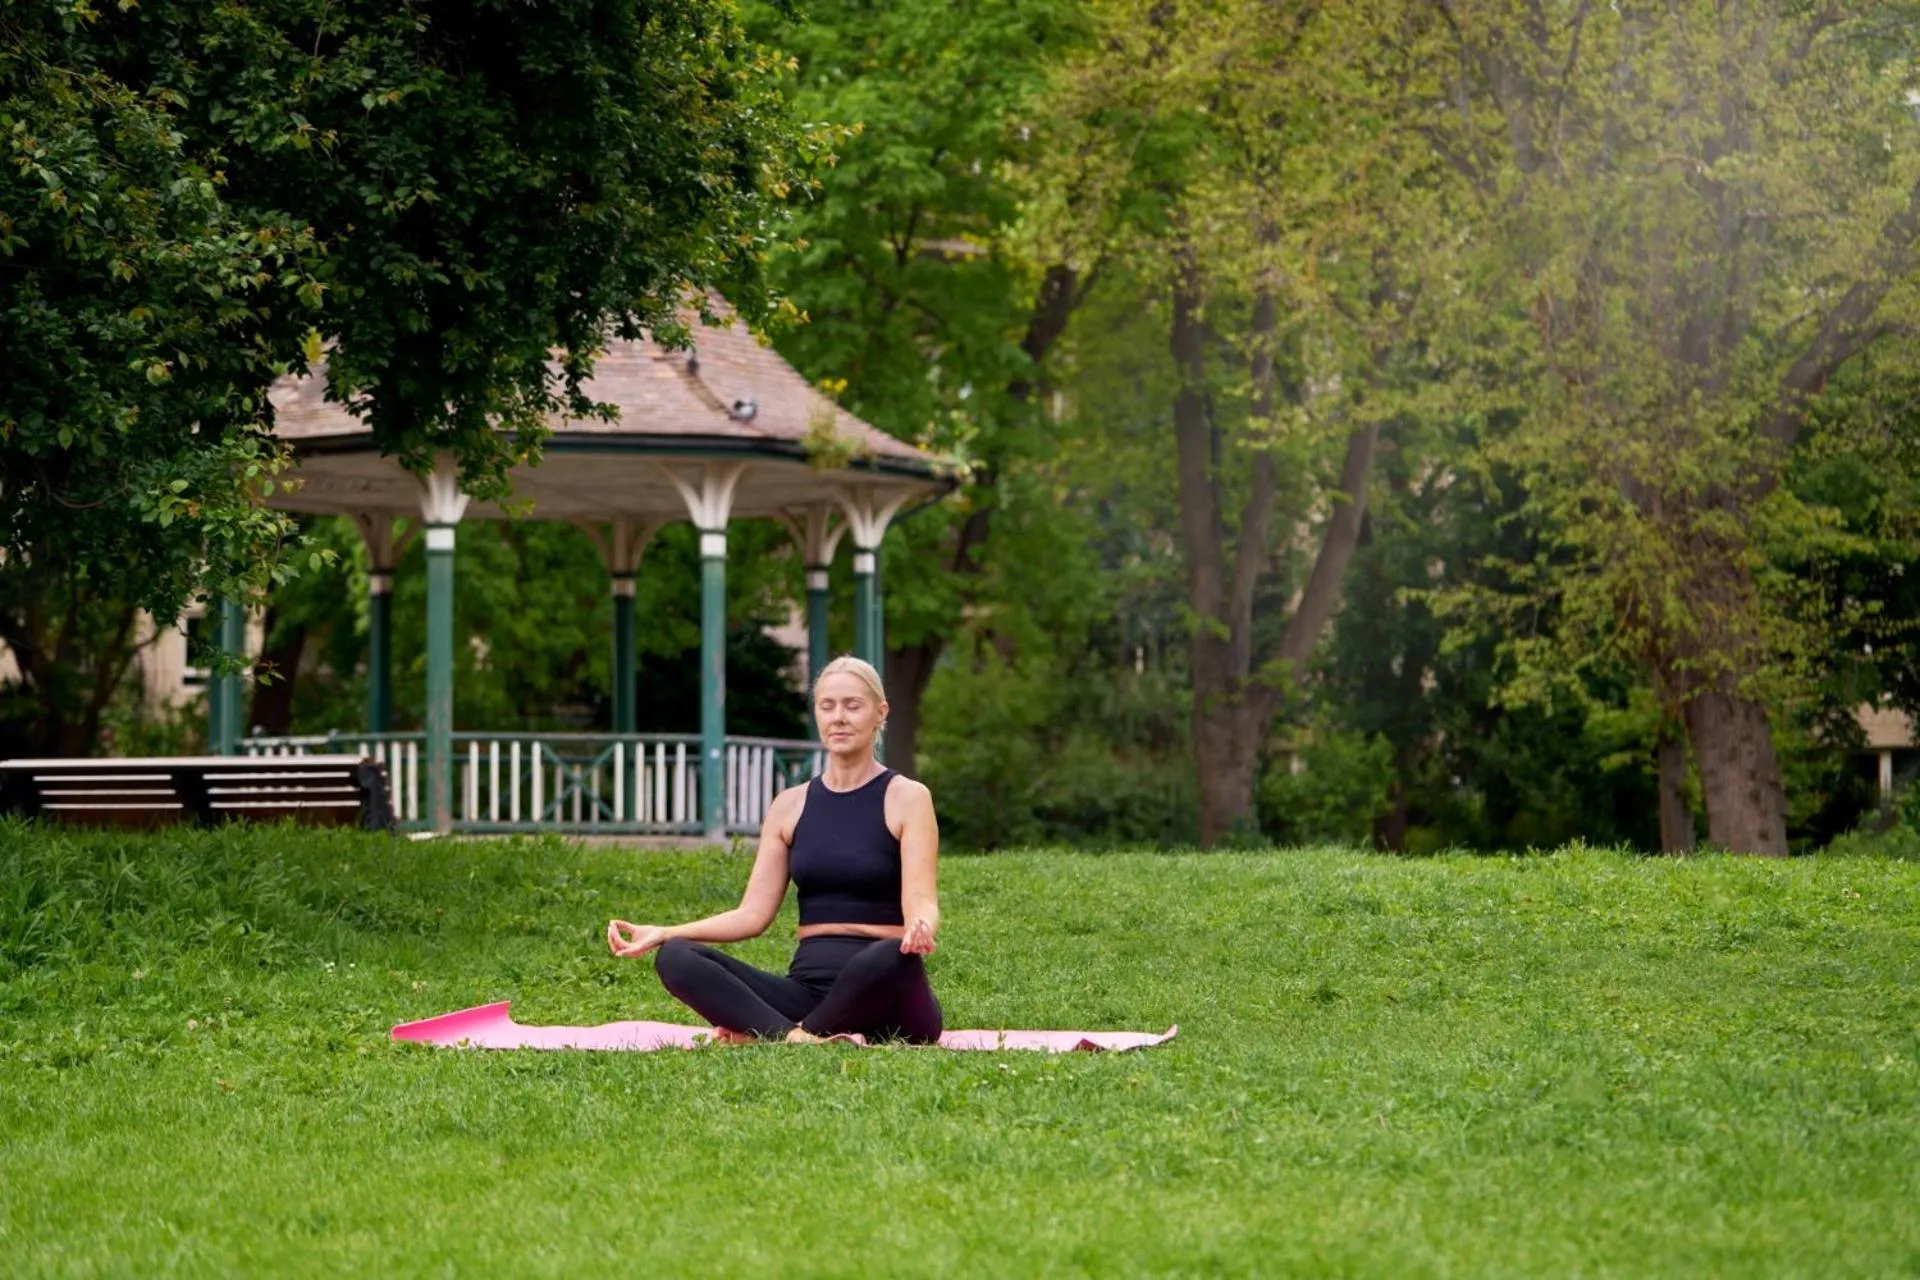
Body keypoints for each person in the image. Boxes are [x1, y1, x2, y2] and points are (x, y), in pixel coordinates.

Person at [605, 655, 943, 1044]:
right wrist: (665, 932)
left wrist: (922, 927)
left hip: (889, 997)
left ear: (879, 713)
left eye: (852, 706)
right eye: (827, 706)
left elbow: (922, 901)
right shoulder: (790, 805)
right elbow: (752, 914)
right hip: (807, 995)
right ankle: (797, 1037)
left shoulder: (908, 798)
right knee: (677, 957)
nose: (838, 717)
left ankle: (781, 1034)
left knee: (888, 957)